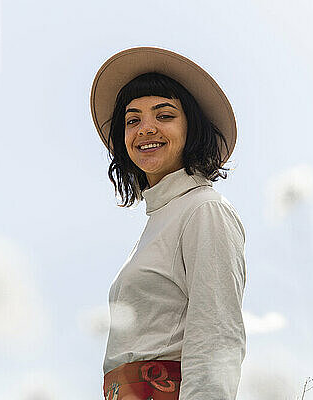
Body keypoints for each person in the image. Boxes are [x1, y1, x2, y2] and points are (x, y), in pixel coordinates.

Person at [90, 46, 247, 400]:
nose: (146, 128)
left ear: (192, 127)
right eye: (133, 120)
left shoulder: (204, 209)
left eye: (164, 115)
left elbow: (218, 340)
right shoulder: (158, 221)